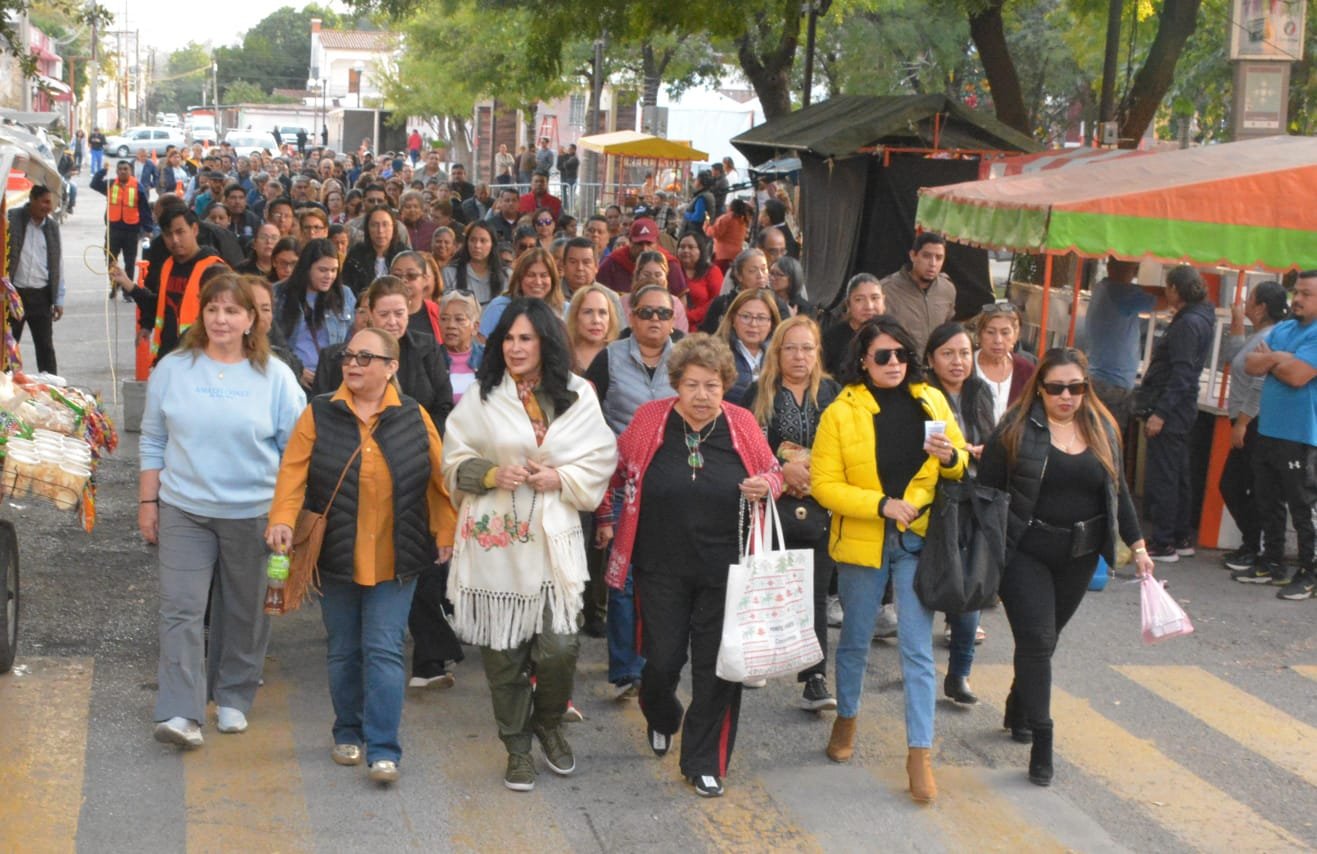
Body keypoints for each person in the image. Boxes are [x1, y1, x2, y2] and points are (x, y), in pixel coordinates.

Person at [441, 299, 617, 793]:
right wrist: (491, 473)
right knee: (503, 654)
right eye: (508, 339)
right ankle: (516, 747)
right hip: (495, 539)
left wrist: (560, 477)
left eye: (526, 339)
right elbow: (453, 461)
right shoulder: (482, 397)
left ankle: (549, 721)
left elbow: (602, 456)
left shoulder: (579, 394)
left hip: (553, 540)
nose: (515, 348)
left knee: (560, 646)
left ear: (546, 342)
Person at [268, 327, 456, 784]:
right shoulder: (319, 412)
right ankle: (347, 731)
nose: (352, 364)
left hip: (398, 556)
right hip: (337, 554)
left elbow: (437, 479)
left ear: (391, 368)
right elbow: (293, 473)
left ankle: (384, 748)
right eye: (349, 356)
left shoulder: (414, 416)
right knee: (344, 650)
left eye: (365, 357)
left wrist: (445, 530)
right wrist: (282, 520)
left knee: (384, 649)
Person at [600, 333, 783, 798]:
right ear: (676, 384)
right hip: (659, 565)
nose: (702, 396)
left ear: (726, 386)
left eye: (712, 386)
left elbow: (774, 472)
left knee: (717, 667)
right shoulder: (650, 419)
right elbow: (613, 469)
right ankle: (661, 713)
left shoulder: (741, 423)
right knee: (662, 660)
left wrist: (767, 485)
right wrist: (604, 517)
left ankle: (704, 762)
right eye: (692, 385)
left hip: (727, 568)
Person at [141, 274, 305, 749]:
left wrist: (285, 516)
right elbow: (153, 438)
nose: (220, 319)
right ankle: (181, 711)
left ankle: (234, 694)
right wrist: (148, 502)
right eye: (212, 309)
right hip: (183, 509)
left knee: (245, 611)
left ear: (251, 319)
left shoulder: (276, 377)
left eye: (232, 310)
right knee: (181, 609)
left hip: (253, 512)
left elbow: (295, 454)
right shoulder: (173, 369)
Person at [977, 347, 1155, 785]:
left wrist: (1138, 546)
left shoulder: (1103, 429)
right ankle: (1043, 737)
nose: (1066, 396)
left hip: (1080, 555)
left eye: (1076, 387)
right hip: (1026, 552)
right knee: (1037, 639)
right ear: (1039, 388)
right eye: (1056, 388)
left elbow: (1118, 492)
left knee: (1045, 640)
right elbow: (987, 494)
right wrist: (987, 552)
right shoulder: (1015, 431)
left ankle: (1020, 701)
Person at [812, 316, 967, 803]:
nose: (895, 363)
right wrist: (881, 505)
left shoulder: (931, 399)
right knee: (855, 639)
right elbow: (824, 485)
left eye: (902, 354)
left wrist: (950, 458)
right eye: (883, 355)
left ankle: (919, 753)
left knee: (916, 649)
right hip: (863, 540)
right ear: (863, 360)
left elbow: (960, 461)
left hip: (916, 539)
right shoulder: (840, 411)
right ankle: (846, 718)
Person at [742, 317, 840, 711]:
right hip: (772, 503)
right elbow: (746, 446)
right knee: (767, 581)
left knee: (815, 593)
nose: (799, 356)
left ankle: (814, 677)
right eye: (791, 348)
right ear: (777, 352)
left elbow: (847, 444)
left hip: (822, 500)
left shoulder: (832, 392)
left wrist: (815, 472)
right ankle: (758, 655)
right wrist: (783, 470)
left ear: (818, 353)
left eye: (807, 348)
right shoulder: (758, 392)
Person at [923, 322, 997, 703]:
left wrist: (982, 451)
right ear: (931, 358)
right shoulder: (920, 393)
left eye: (965, 353)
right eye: (948, 354)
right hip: (931, 499)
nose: (958, 362)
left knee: (971, 586)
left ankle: (960, 673)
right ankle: (919, 668)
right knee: (924, 588)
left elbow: (993, 440)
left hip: (972, 499)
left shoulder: (979, 391)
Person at [1243, 270, 1317, 599]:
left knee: (1302, 507)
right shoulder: (1285, 328)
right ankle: (1272, 562)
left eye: (1306, 294)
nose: (1297, 299)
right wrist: (1279, 359)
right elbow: (1250, 364)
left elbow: (1298, 376)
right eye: (1296, 292)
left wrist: (1269, 359)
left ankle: (1309, 572)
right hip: (1269, 428)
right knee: (1267, 498)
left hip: (1301, 434)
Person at [1135, 265, 1216, 562]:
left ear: (1175, 289)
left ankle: (1164, 540)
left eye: (1168, 286)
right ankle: (1180, 536)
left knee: (1165, 476)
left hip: (1171, 408)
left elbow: (1182, 373)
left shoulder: (1186, 324)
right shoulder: (1202, 318)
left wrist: (1161, 413)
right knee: (1179, 473)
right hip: (1183, 408)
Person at [1216, 282, 1286, 577]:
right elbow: (1233, 358)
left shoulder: (1270, 337)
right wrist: (1236, 322)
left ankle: (1254, 546)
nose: (1245, 303)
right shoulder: (1257, 335)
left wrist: (1242, 423)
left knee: (1239, 485)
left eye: (1250, 299)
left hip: (1254, 421)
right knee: (1240, 484)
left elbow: (1260, 384)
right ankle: (1251, 544)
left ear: (1261, 307)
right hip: (1245, 418)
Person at [110, 206, 228, 364]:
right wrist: (128, 284)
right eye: (168, 234)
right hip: (168, 357)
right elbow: (160, 305)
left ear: (194, 229)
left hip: (200, 360)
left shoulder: (214, 269)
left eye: (180, 232)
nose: (175, 240)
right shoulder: (168, 265)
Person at [1081, 259, 1157, 431]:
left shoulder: (1103, 287)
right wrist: (1176, 290)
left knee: (1093, 433)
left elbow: (1145, 291)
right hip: (1113, 384)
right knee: (1108, 437)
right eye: (1133, 269)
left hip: (1099, 378)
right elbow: (1164, 301)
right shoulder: (1122, 293)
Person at [273, 238, 356, 389]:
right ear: (307, 268)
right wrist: (296, 369)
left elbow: (352, 337)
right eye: (322, 270)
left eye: (334, 270)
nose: (329, 276)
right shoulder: (279, 294)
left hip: (333, 380)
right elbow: (272, 341)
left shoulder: (345, 295)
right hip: (292, 378)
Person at [7, 185, 64, 374]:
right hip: (15, 295)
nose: (48, 207)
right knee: (8, 345)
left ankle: (51, 385)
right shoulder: (12, 219)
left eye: (51, 203)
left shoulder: (52, 228)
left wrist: (58, 299)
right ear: (32, 199)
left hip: (41, 296)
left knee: (45, 347)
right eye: (44, 202)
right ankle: (4, 383)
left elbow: (57, 264)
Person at [880, 233, 956, 355]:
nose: (933, 263)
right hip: (900, 362)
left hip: (935, 363)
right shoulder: (887, 290)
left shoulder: (947, 289)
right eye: (927, 256)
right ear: (913, 255)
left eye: (939, 258)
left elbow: (947, 329)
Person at [92, 160, 155, 299]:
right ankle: (114, 284)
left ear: (130, 171)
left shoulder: (137, 187)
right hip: (113, 229)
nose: (122, 171)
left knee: (129, 261)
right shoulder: (110, 184)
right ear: (116, 171)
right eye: (120, 169)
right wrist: (103, 171)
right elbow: (94, 184)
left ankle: (128, 291)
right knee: (110, 258)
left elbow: (144, 209)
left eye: (125, 169)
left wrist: (148, 229)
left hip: (131, 230)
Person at [479, 247, 566, 340]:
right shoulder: (499, 308)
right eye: (531, 275)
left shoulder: (565, 310)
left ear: (553, 279)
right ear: (519, 278)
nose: (538, 282)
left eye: (544, 275)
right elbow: (482, 345)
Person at [698, 248, 789, 334]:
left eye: (764, 269)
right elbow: (706, 336)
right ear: (739, 275)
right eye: (752, 271)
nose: (760, 275)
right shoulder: (722, 304)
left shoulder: (777, 303)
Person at [715, 288, 781, 405]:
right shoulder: (715, 354)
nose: (753, 324)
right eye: (746, 317)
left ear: (771, 323)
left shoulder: (782, 355)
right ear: (733, 319)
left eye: (761, 318)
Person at [974, 303, 1036, 424]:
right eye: (990, 332)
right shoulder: (966, 367)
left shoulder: (1026, 370)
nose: (998, 340)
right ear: (980, 334)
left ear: (1015, 335)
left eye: (1005, 333)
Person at [595, 218, 688, 298]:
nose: (644, 249)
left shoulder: (669, 263)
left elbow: (681, 298)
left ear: (657, 242)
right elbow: (597, 292)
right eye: (639, 244)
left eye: (649, 243)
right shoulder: (613, 262)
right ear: (630, 242)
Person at [821, 274, 885, 378]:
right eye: (859, 299)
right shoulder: (831, 339)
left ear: (883, 300)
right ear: (848, 304)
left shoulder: (894, 334)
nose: (869, 306)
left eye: (875, 298)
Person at [442, 221, 505, 305]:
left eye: (483, 241)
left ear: (492, 244)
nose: (477, 245)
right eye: (473, 240)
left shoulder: (506, 275)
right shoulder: (450, 272)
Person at [438, 290, 483, 403]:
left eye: (459, 319)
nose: (450, 325)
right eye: (444, 319)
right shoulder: (431, 358)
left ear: (475, 327)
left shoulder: (487, 358)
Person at [566, 284, 620, 376]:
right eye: (588, 312)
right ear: (575, 316)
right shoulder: (561, 355)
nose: (596, 320)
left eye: (602, 312)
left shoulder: (621, 355)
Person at [389, 250, 442, 342]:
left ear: (425, 279)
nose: (403, 280)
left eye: (411, 275)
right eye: (397, 276)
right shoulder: (380, 312)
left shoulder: (438, 313)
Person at [677, 231, 723, 329]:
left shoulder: (712, 271)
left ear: (700, 250)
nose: (685, 250)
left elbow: (716, 301)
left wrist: (689, 316)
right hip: (675, 323)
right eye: (682, 247)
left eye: (691, 247)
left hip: (703, 326)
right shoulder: (673, 270)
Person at [706, 199, 751, 272]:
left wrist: (706, 226)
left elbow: (715, 233)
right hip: (735, 256)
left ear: (731, 207)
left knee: (719, 276)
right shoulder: (743, 220)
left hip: (722, 255)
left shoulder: (727, 218)